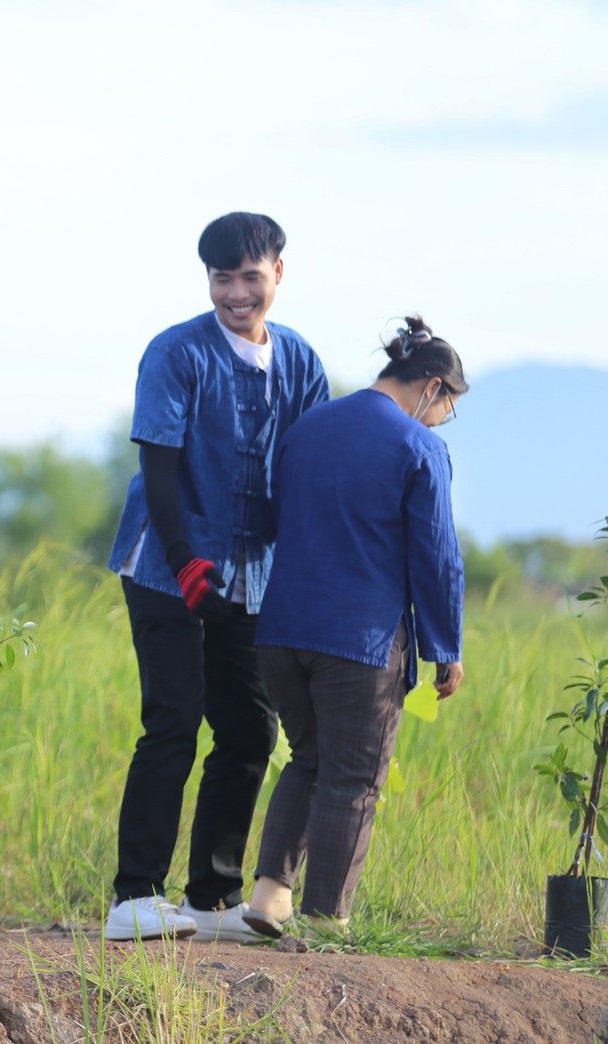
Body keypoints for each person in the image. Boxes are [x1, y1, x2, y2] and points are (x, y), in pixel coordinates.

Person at [104, 212, 331, 942]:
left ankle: (211, 900)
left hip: (254, 577)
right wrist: (184, 557)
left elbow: (307, 475)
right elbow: (159, 466)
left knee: (248, 732)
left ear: (279, 275)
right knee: (172, 718)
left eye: (250, 278)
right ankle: (135, 896)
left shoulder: (301, 363)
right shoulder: (177, 352)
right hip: (169, 568)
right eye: (221, 278)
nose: (236, 293)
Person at [243, 316, 466, 936]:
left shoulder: (308, 427)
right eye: (448, 408)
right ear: (433, 387)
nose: (442, 420)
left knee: (309, 760)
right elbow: (438, 556)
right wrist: (444, 647)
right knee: (355, 778)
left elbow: (278, 517)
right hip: (360, 641)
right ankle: (325, 923)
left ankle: (268, 898)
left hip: (282, 629)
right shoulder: (420, 447)